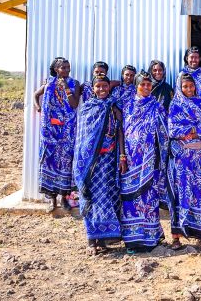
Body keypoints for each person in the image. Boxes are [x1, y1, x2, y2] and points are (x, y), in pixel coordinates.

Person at [73, 75, 125, 255]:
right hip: (90, 164)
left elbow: (119, 132)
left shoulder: (114, 107)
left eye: (105, 86)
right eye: (98, 86)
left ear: (109, 87)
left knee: (105, 198)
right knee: (89, 198)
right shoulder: (88, 108)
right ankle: (90, 240)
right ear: (93, 89)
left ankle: (102, 240)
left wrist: (122, 156)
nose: (102, 89)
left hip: (108, 163)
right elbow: (82, 138)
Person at [120, 72, 167, 253]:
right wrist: (123, 156)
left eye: (149, 85)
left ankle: (150, 239)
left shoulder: (157, 106)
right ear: (136, 86)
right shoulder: (128, 105)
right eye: (143, 85)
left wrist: (161, 157)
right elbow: (122, 132)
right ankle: (132, 241)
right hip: (132, 161)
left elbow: (164, 133)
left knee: (149, 200)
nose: (146, 88)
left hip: (150, 161)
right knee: (130, 200)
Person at [167, 73, 201, 249]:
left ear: (195, 86)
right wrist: (194, 129)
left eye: (190, 86)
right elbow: (172, 130)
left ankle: (200, 237)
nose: (188, 89)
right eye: (184, 86)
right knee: (180, 194)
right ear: (180, 87)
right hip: (182, 159)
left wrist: (190, 132)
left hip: (199, 157)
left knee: (200, 193)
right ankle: (176, 238)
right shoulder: (175, 104)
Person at [33, 57, 81, 211]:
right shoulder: (48, 84)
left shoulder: (74, 84)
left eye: (68, 67)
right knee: (50, 161)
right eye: (63, 68)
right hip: (50, 132)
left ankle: (65, 199)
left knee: (67, 162)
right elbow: (35, 95)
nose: (67, 70)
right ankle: (52, 200)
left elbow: (74, 104)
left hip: (67, 131)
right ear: (56, 69)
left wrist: (66, 86)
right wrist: (38, 108)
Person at [148, 59, 174, 208]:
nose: (158, 73)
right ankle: (149, 196)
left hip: (163, 135)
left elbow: (172, 112)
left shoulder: (168, 89)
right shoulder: (146, 87)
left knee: (162, 164)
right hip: (149, 136)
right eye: (155, 70)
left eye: (160, 70)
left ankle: (162, 197)